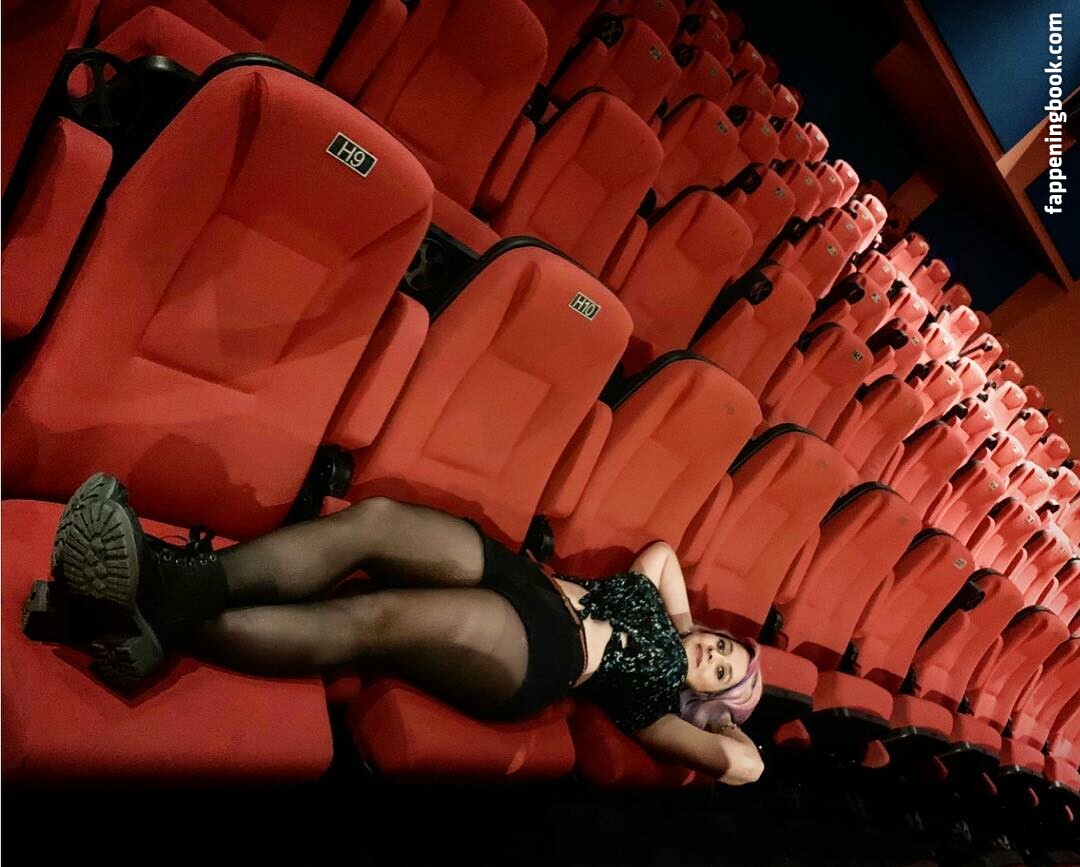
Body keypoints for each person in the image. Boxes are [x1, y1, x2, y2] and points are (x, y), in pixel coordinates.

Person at [40, 472, 765, 785]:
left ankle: (141, 593)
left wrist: (725, 710)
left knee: (372, 617)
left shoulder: (656, 710)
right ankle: (150, 608)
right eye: (726, 645)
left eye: (721, 670)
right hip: (527, 580)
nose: (716, 652)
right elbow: (664, 555)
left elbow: (745, 768)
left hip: (542, 652)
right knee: (377, 521)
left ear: (706, 698)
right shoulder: (661, 604)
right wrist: (683, 626)